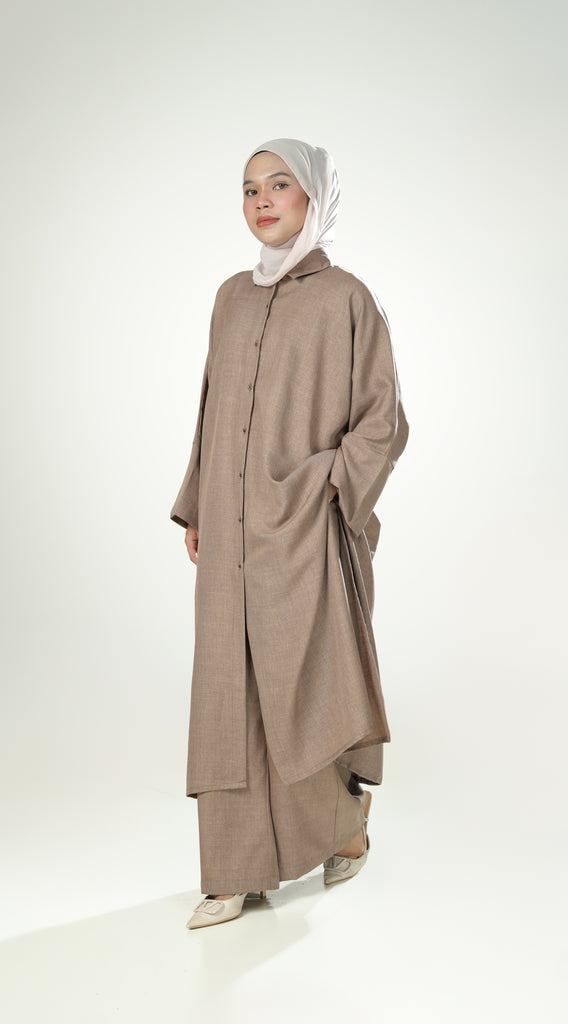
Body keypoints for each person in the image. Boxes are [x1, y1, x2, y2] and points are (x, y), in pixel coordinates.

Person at [170, 138, 408, 929]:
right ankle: (233, 871)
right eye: (249, 189)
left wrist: (328, 485)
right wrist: (198, 504)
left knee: (304, 686)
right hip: (229, 529)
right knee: (226, 690)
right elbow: (210, 408)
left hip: (307, 529)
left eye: (279, 185)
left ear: (313, 196)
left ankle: (341, 826)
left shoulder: (346, 298)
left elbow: (383, 418)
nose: (262, 201)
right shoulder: (230, 297)